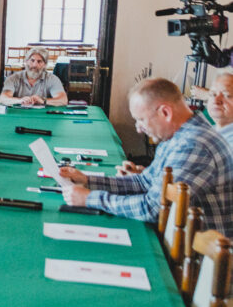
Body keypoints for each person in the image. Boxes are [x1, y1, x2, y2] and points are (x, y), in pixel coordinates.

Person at [60, 78, 233, 231]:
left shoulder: (194, 144)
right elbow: (144, 181)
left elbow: (152, 208)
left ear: (165, 113)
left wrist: (90, 198)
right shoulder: (178, 135)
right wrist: (88, 180)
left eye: (141, 120)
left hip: (199, 260)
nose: (138, 128)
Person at [0, 47, 68, 106]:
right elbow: (3, 98)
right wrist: (20, 100)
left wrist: (43, 101)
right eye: (32, 60)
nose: (35, 65)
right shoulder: (13, 78)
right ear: (26, 61)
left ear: (45, 64)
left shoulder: (53, 79)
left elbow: (63, 100)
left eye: (39, 61)